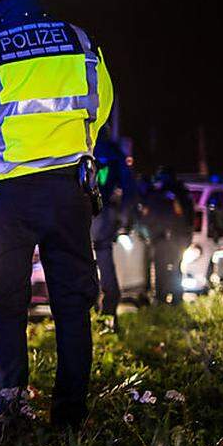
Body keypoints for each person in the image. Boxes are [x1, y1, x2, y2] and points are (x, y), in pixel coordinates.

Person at [0, 0, 114, 430]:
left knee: (7, 303)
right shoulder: (78, 39)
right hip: (69, 189)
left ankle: (7, 410)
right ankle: (70, 415)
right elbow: (100, 103)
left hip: (8, 195)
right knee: (72, 303)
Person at [91, 132, 137, 318]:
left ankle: (90, 306)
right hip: (106, 212)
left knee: (83, 258)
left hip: (84, 210)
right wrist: (125, 219)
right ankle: (109, 307)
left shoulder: (85, 146)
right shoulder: (115, 152)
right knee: (104, 257)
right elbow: (129, 187)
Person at [140, 167, 194, 305]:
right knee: (175, 268)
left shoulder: (161, 194)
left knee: (162, 269)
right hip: (179, 237)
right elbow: (189, 218)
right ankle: (176, 298)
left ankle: (162, 299)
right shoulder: (182, 192)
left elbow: (150, 217)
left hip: (164, 238)